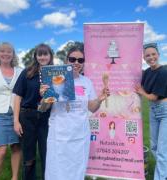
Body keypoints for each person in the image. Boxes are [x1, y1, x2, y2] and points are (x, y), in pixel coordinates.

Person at [44, 46, 110, 180]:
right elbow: (44, 107)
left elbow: (92, 107)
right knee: (57, 168)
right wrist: (45, 96)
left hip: (80, 135)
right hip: (59, 134)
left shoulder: (87, 82)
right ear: (66, 60)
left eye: (80, 60)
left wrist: (100, 99)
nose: (76, 63)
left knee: (77, 167)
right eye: (72, 59)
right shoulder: (55, 79)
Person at [13, 43, 53, 180]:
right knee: (29, 155)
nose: (42, 57)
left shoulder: (57, 73)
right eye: (39, 54)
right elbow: (17, 97)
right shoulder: (27, 72)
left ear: (50, 56)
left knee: (46, 153)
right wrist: (16, 121)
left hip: (46, 117)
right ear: (35, 56)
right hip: (27, 116)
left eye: (45, 54)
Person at [0, 42, 22, 180]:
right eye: (2, 51)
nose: (6, 54)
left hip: (16, 114)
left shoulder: (20, 71)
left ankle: (14, 177)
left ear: (13, 54)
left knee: (16, 147)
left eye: (9, 51)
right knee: (1, 150)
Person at [135, 43, 167, 180]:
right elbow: (139, 87)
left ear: (158, 55)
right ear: (144, 58)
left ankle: (160, 177)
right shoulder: (147, 72)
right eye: (147, 55)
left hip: (164, 111)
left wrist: (141, 92)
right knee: (154, 146)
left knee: (161, 150)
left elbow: (153, 96)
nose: (151, 57)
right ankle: (164, 170)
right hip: (153, 111)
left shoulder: (164, 71)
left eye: (153, 54)